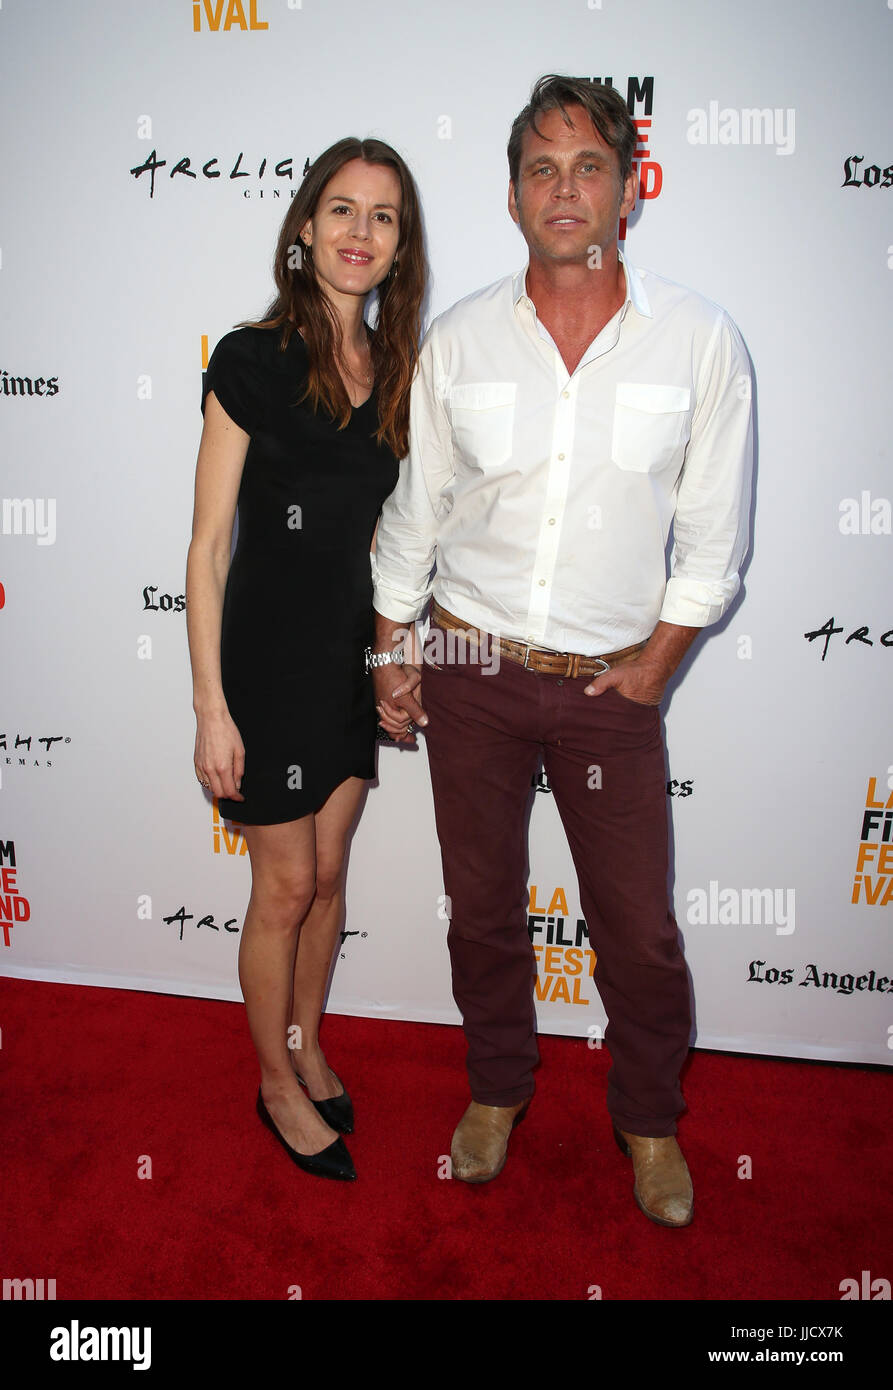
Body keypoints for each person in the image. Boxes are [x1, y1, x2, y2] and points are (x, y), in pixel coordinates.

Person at [370, 76, 753, 1225]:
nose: (563, 188)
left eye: (586, 164)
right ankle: (496, 1091)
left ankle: (645, 1117)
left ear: (628, 188)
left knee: (634, 927)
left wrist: (653, 666)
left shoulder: (696, 341)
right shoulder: (461, 339)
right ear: (510, 196)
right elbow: (417, 507)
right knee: (481, 906)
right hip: (471, 669)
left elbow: (712, 536)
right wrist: (391, 646)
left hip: (606, 686)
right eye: (540, 168)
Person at [186, 137, 426, 1181]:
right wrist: (210, 708)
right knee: (283, 886)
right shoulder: (250, 359)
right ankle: (275, 1084)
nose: (357, 232)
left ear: (398, 243)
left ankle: (307, 1044)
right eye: (340, 209)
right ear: (303, 227)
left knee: (328, 876)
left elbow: (394, 541)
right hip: (268, 662)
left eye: (380, 215)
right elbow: (204, 548)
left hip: (347, 660)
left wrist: (396, 654)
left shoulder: (397, 372)